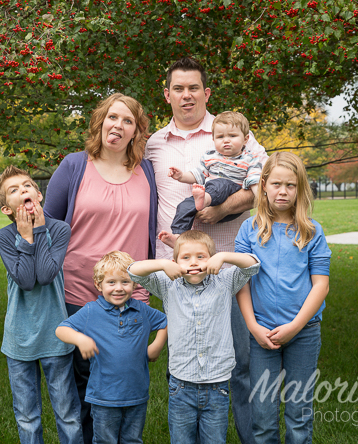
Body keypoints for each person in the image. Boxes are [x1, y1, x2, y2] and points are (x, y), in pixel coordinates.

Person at [147, 56, 266, 444]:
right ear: (167, 95)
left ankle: (250, 437)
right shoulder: (153, 145)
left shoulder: (231, 132)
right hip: (176, 271)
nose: (186, 95)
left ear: (206, 92)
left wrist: (220, 210)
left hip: (227, 266)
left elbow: (261, 187)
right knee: (183, 363)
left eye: (193, 88)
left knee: (239, 364)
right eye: (178, 89)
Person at [41, 93, 158, 442]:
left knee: (123, 384)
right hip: (81, 293)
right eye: (112, 117)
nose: (118, 125)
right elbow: (48, 224)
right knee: (86, 387)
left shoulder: (147, 171)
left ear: (136, 131)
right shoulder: (74, 166)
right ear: (100, 122)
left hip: (131, 293)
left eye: (127, 121)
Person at [128, 230, 261, 444]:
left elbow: (253, 265)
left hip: (217, 384)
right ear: (175, 261)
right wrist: (162, 264)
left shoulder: (225, 281)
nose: (194, 263)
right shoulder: (167, 284)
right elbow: (134, 272)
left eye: (201, 256)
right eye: (186, 258)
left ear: (212, 260)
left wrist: (223, 256)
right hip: (181, 384)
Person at [236, 152, 331, 444]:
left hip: (304, 332)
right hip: (262, 332)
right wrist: (253, 327)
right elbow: (241, 284)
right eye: (276, 183)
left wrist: (295, 327)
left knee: (299, 415)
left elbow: (321, 286)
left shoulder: (312, 231)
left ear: (300, 189)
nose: (283, 191)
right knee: (263, 417)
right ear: (263, 185)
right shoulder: (249, 229)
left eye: (291, 185)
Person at [0, 165, 82, 444]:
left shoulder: (59, 229)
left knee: (67, 414)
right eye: (14, 190)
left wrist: (40, 232)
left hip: (56, 334)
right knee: (27, 417)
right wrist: (26, 237)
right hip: (19, 338)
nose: (23, 191)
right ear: (7, 209)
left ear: (39, 195)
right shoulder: (4, 237)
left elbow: (45, 275)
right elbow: (26, 281)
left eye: (28, 185)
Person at [55, 251, 167, 444]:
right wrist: (80, 339)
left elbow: (165, 321)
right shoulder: (91, 311)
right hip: (103, 397)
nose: (119, 288)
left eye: (125, 282)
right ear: (99, 285)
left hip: (136, 395)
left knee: (132, 440)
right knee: (105, 440)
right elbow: (61, 329)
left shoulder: (141, 310)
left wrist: (156, 345)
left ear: (135, 283)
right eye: (111, 282)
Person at [159, 111, 268, 249]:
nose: (226, 140)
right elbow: (198, 174)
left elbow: (254, 180)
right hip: (210, 194)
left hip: (231, 194)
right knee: (184, 205)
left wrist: (260, 198)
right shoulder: (210, 156)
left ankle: (204, 199)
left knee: (220, 183)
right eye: (220, 137)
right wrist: (181, 176)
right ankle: (179, 237)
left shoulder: (250, 158)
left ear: (246, 139)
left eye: (232, 136)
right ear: (213, 139)